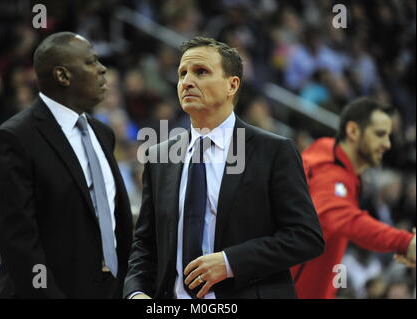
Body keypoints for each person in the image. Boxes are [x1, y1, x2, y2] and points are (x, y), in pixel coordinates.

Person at [124, 37, 324, 299]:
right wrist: (136, 292)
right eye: (182, 73)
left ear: (232, 85)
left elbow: (305, 236)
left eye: (201, 72)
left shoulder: (273, 151)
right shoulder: (159, 156)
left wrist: (230, 262)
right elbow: (146, 245)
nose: (186, 81)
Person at [0, 32, 133, 298]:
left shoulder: (102, 133)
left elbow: (116, 223)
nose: (102, 69)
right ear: (62, 76)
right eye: (91, 62)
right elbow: (18, 242)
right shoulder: (13, 139)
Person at [291, 97, 416, 299]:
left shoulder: (332, 161)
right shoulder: (329, 173)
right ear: (353, 131)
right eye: (379, 135)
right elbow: (340, 218)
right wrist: (405, 242)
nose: (387, 144)